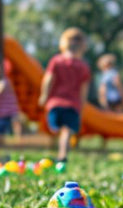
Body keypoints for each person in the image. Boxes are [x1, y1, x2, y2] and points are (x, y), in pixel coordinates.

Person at [39, 27, 91, 165]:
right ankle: (62, 153)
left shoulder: (56, 60)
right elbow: (84, 88)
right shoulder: (83, 66)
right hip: (72, 104)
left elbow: (48, 79)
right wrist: (82, 104)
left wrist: (44, 95)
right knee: (67, 130)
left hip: (55, 103)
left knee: (55, 128)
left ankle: (58, 153)